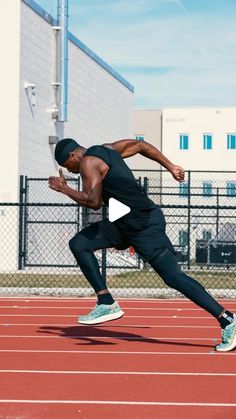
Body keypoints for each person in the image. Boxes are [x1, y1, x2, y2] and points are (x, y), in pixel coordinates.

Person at [48, 137, 236, 352]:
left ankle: (227, 319)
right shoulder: (107, 149)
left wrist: (65, 189)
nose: (71, 171)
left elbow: (93, 202)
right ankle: (106, 301)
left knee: (174, 277)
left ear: (73, 156)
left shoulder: (87, 163)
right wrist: (171, 166)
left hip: (143, 225)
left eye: (67, 166)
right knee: (79, 243)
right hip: (124, 222)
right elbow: (141, 145)